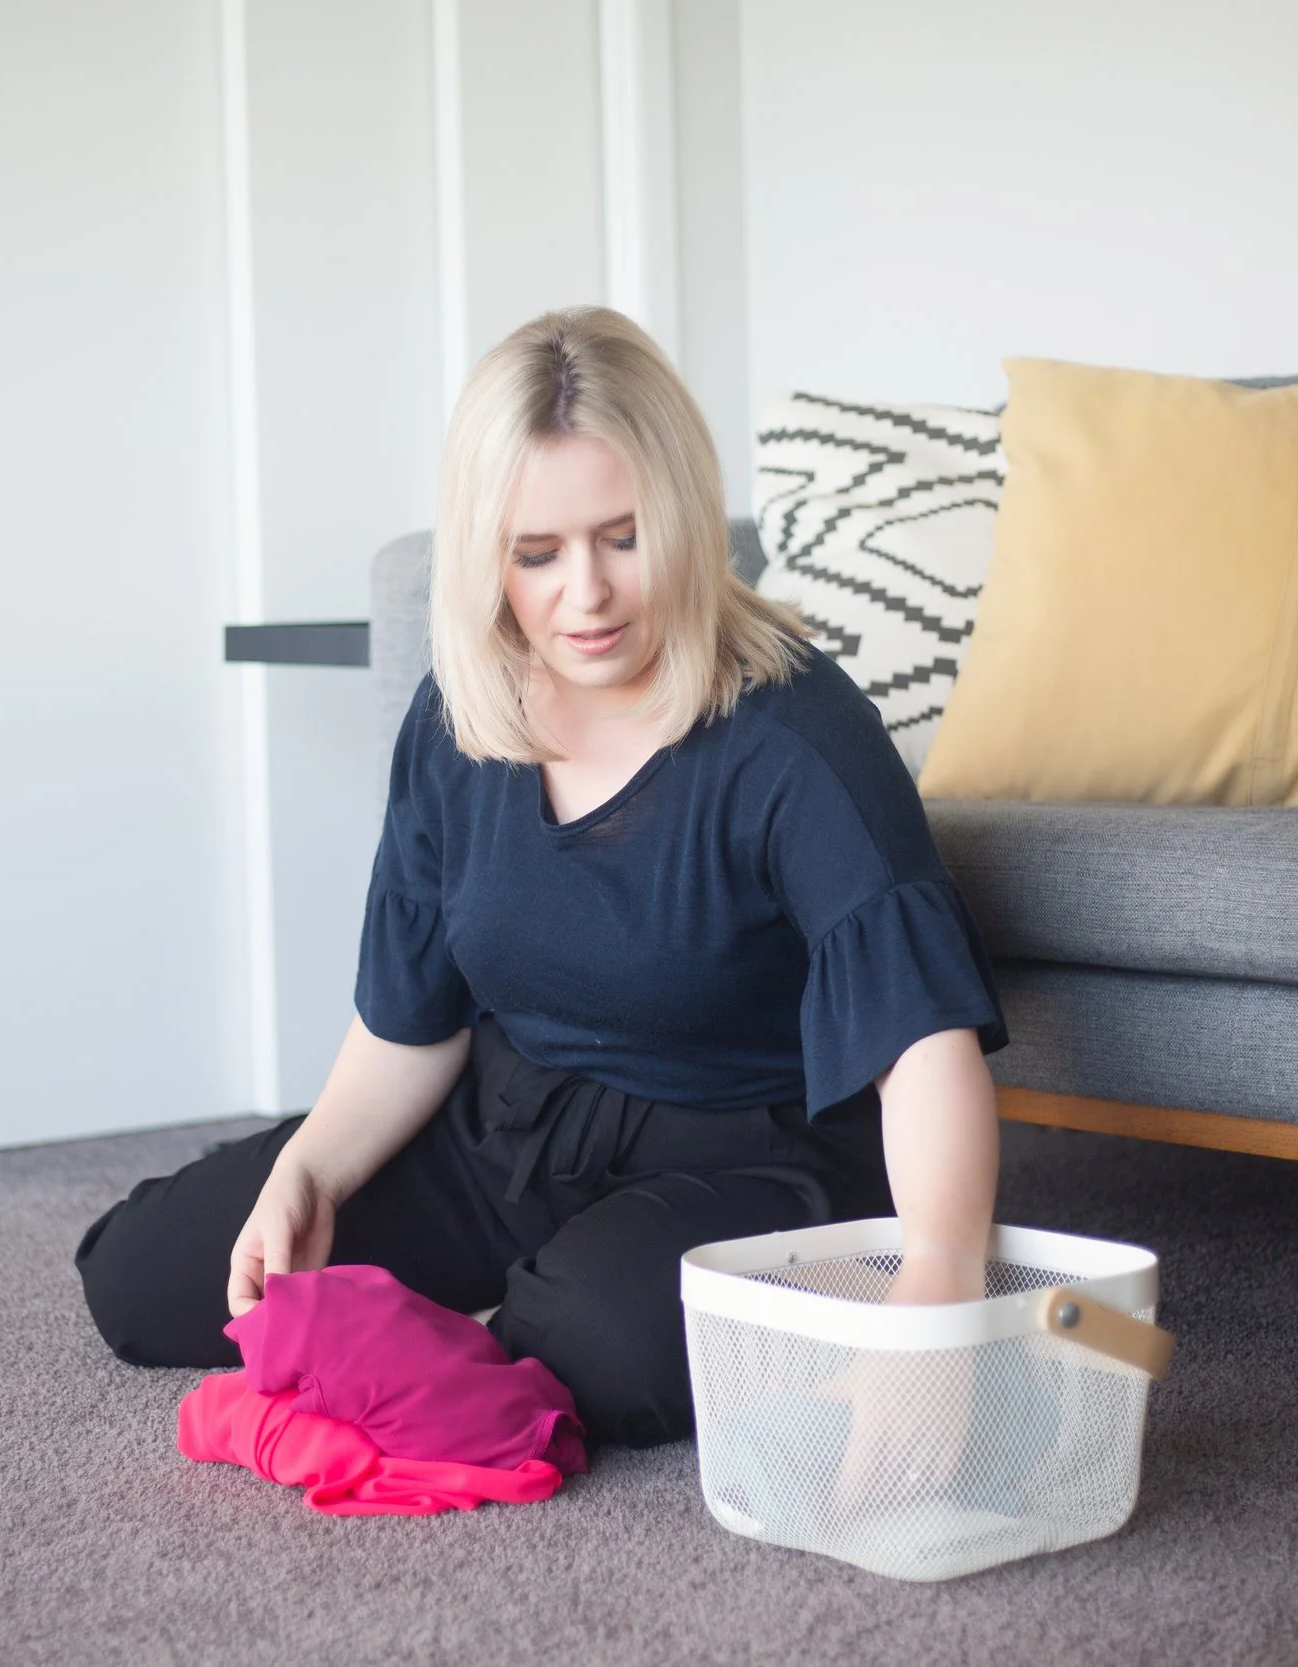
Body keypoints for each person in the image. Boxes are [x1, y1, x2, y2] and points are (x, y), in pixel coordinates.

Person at [77, 306, 1008, 1452]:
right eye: (537, 553)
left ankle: (567, 1299)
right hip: (511, 1124)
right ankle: (511, 1291)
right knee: (148, 1277)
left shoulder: (796, 732)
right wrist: (310, 1165)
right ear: (487, 555)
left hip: (746, 1153)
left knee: (591, 1347)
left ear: (679, 514)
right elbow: (408, 1025)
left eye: (621, 536)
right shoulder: (458, 715)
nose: (588, 593)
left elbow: (922, 1051)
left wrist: (937, 1282)